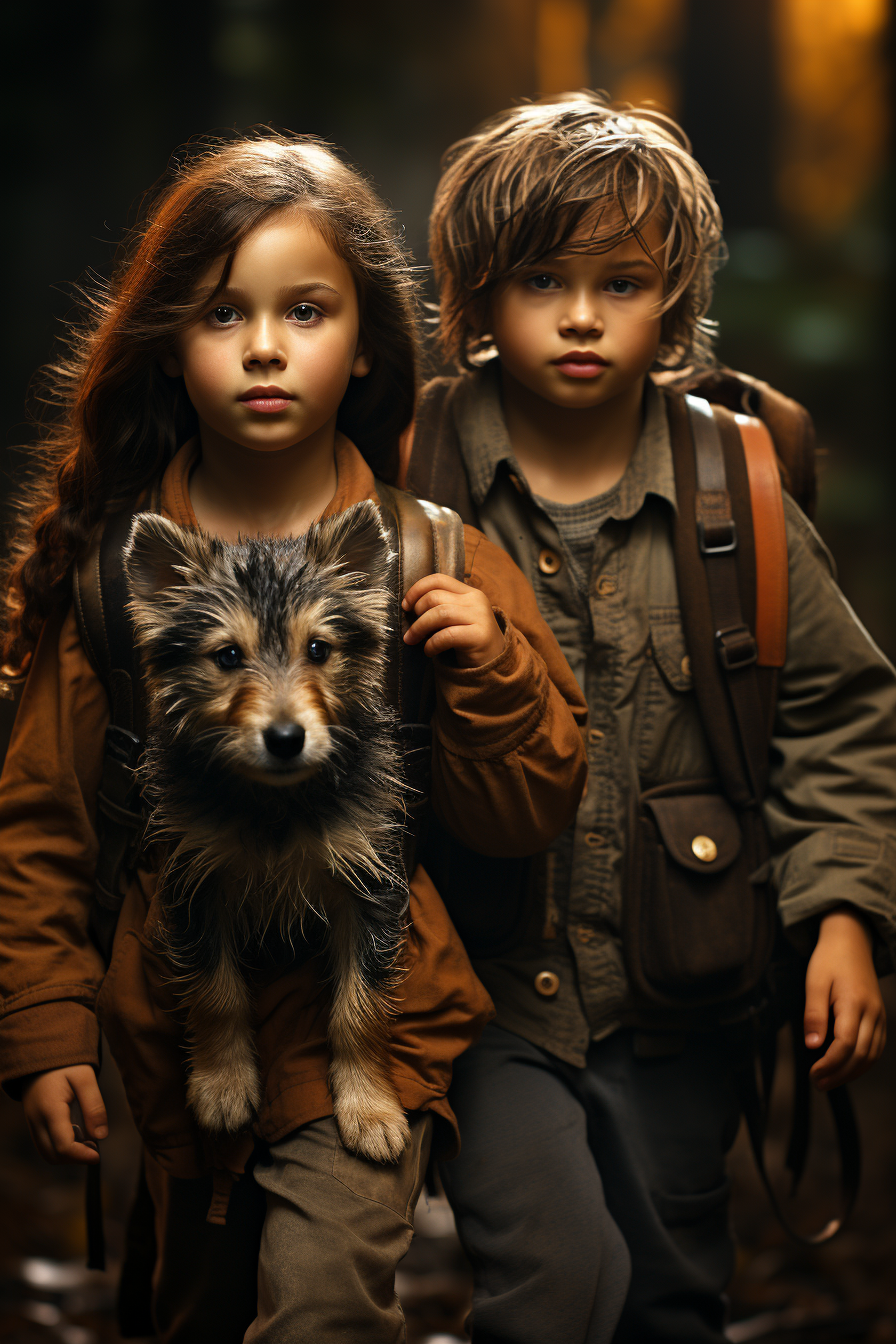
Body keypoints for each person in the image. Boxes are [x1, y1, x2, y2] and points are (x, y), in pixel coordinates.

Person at [0, 133, 588, 1343]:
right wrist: (45, 1025)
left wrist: (486, 666)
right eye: (223, 314)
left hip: (364, 1009)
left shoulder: (426, 553)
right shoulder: (121, 576)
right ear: (169, 340)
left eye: (305, 310)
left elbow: (527, 807)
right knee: (194, 1309)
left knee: (322, 1307)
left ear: (364, 338)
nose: (264, 346)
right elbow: (42, 817)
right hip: (176, 1028)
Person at [404, 93, 896, 1343]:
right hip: (487, 991)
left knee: (671, 1298)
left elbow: (839, 713)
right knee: (551, 1288)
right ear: (473, 296)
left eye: (619, 282)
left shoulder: (736, 487)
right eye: (539, 279)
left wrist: (840, 911)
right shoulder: (416, 467)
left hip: (687, 997)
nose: (578, 316)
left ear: (672, 300)